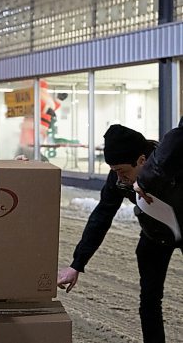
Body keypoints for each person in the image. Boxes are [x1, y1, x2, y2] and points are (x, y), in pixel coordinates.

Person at [56, 124, 179, 343]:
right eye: (114, 172)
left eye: (122, 171)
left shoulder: (170, 163)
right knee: (149, 301)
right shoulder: (119, 179)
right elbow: (101, 217)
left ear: (142, 161)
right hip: (155, 235)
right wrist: (77, 263)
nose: (119, 179)